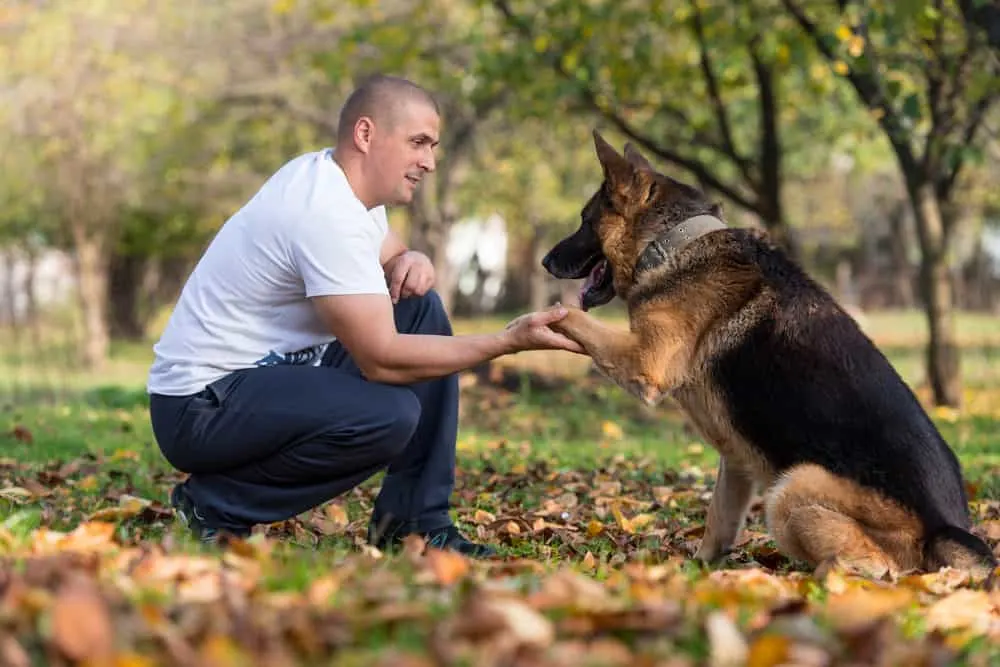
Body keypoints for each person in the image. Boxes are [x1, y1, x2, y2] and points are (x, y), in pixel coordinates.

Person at [145, 74, 583, 558]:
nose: (430, 162)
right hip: (199, 405)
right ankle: (217, 506)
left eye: (433, 146)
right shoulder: (321, 212)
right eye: (418, 143)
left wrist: (407, 259)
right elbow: (381, 360)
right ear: (366, 134)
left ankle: (414, 523)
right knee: (387, 417)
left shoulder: (344, 189)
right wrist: (508, 340)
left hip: (263, 380)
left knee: (418, 309)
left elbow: (387, 253)